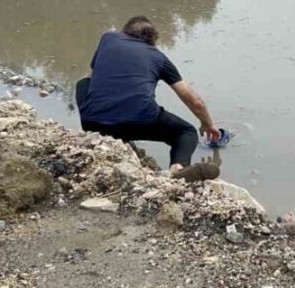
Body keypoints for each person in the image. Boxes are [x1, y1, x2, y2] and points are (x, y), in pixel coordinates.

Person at [78, 16, 221, 182]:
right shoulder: (159, 58)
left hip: (92, 121)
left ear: (124, 32)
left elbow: (95, 73)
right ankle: (177, 169)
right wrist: (208, 124)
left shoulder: (108, 38)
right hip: (139, 120)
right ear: (153, 40)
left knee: (85, 81)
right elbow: (193, 100)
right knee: (186, 132)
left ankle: (100, 134)